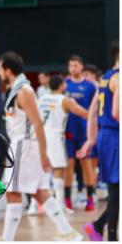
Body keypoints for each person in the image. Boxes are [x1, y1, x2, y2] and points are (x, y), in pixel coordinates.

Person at [0, 52, 82, 241]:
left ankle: (7, 239)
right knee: (38, 192)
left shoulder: (24, 91)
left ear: (8, 70)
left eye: (0, 68)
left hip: (24, 145)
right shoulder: (17, 88)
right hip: (23, 144)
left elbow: (37, 124)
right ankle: (68, 233)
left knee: (13, 192)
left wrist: (44, 154)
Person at [80, 42, 118, 241]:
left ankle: (99, 227)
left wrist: (91, 139)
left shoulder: (105, 77)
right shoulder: (119, 78)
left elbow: (94, 110)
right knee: (116, 191)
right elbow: (117, 112)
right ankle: (108, 235)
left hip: (105, 135)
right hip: (114, 136)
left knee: (116, 191)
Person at [37, 74, 89, 213]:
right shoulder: (64, 99)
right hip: (55, 136)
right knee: (58, 169)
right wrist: (97, 116)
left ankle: (39, 205)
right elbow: (81, 112)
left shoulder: (42, 98)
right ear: (61, 85)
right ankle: (59, 205)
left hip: (40, 135)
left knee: (44, 171)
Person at [64, 55, 98, 211]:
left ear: (81, 67)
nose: (73, 68)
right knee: (68, 165)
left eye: (76, 65)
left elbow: (94, 110)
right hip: (68, 131)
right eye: (71, 65)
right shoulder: (65, 85)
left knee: (87, 165)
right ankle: (67, 199)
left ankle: (90, 197)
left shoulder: (90, 86)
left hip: (84, 131)